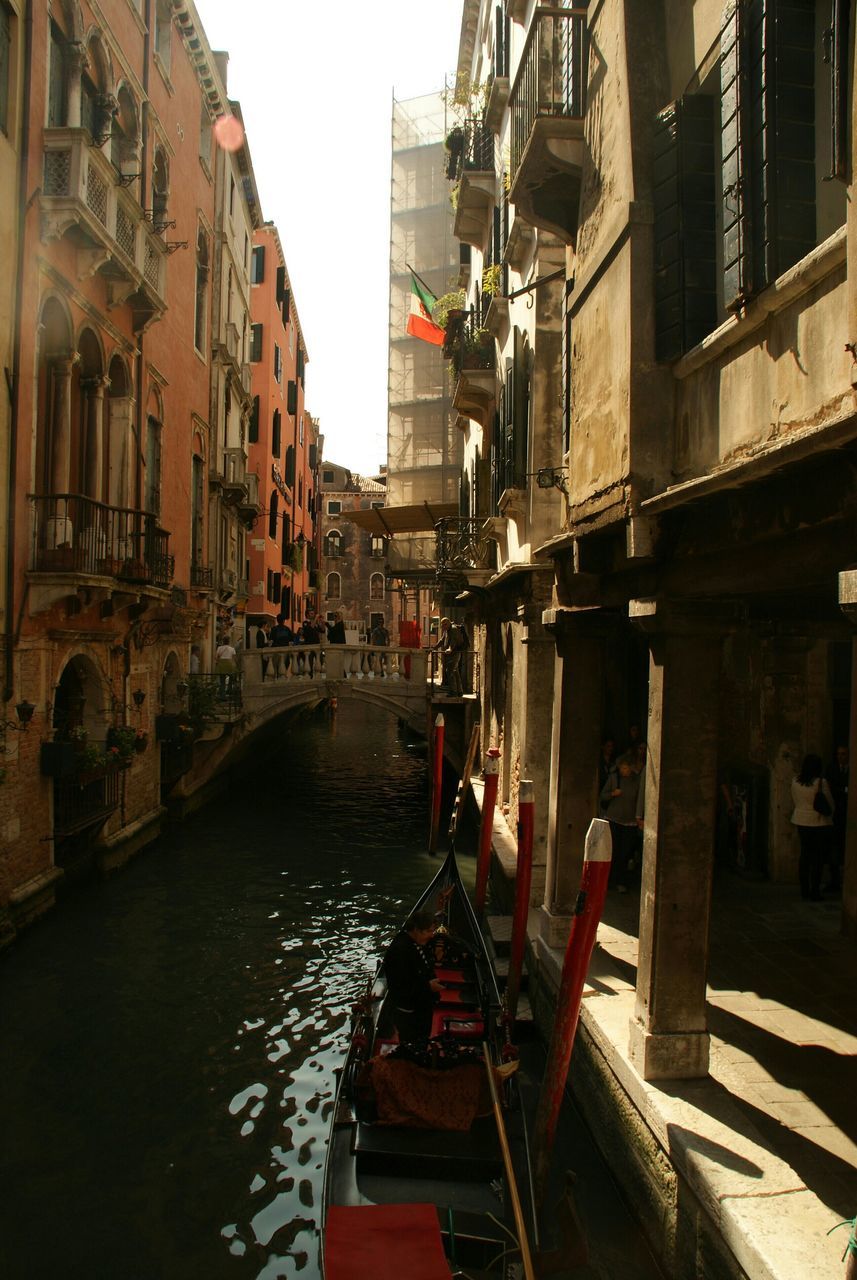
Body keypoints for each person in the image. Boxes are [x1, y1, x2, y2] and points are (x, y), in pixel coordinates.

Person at [383, 910, 443, 1043]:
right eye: (428, 931)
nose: (431, 935)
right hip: (409, 1013)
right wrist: (428, 987)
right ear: (416, 929)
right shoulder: (399, 952)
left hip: (420, 1007)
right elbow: (401, 987)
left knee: (422, 1038)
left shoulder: (417, 942)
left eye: (432, 931)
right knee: (414, 1043)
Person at [791, 753, 834, 901]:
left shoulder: (795, 781)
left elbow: (795, 799)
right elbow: (829, 803)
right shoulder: (820, 783)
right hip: (818, 822)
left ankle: (804, 889)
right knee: (817, 858)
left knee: (805, 855)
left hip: (801, 820)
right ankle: (815, 890)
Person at [600, 753, 643, 893]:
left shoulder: (636, 781)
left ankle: (622, 880)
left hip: (629, 821)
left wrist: (639, 817)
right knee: (614, 851)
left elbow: (640, 799)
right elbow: (603, 795)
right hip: (614, 819)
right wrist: (613, 793)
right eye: (622, 768)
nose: (624, 771)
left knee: (626, 852)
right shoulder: (614, 779)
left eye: (626, 768)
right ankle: (612, 880)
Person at [825, 745, 848, 893]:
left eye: (844, 754)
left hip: (845, 813)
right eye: (839, 754)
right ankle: (835, 880)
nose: (841, 757)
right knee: (834, 847)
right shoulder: (832, 769)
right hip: (835, 814)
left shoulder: (849, 769)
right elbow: (831, 787)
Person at [434, 617, 465, 696]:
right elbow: (442, 640)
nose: (443, 627)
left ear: (448, 623)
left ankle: (453, 692)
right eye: (442, 625)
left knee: (450, 671)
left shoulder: (453, 629)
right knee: (455, 671)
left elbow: (453, 641)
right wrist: (434, 648)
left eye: (444, 625)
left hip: (455, 653)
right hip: (451, 654)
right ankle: (460, 691)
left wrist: (450, 649)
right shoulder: (447, 631)